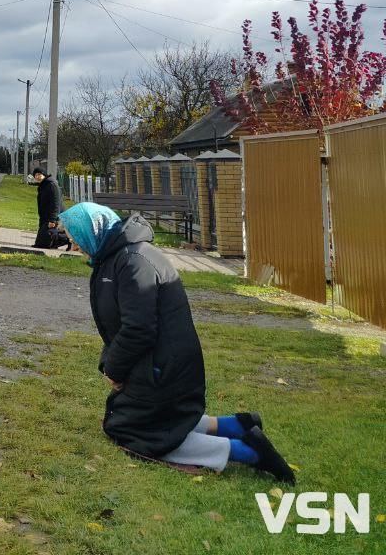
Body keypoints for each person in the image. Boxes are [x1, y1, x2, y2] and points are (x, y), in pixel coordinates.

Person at [59, 202, 295, 482]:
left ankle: (247, 451)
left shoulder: (133, 261)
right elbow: (116, 326)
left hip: (162, 368)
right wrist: (110, 364)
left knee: (134, 433)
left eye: (75, 239)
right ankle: (238, 425)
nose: (73, 247)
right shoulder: (118, 257)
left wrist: (114, 369)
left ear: (93, 230)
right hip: (156, 363)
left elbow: (138, 328)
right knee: (138, 422)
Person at [31, 167, 67, 249]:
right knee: (40, 243)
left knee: (44, 243)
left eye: (39, 174)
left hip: (54, 216)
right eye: (35, 175)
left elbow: (55, 203)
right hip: (46, 217)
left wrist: (53, 220)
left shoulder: (51, 185)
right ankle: (54, 242)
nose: (37, 177)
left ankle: (69, 238)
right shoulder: (43, 185)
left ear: (44, 175)